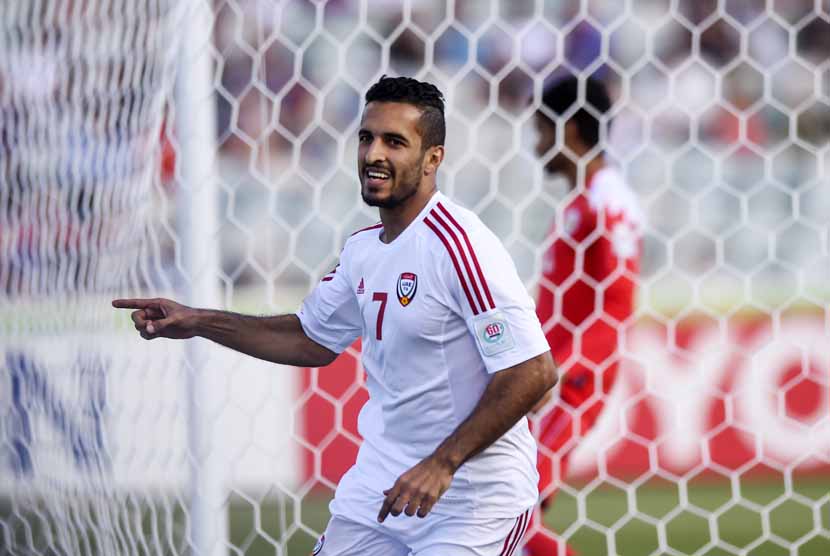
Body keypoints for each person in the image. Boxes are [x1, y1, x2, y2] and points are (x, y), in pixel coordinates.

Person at [113, 75, 557, 556]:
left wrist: (442, 464)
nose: (373, 155)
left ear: (433, 159)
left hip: (472, 500)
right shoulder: (362, 251)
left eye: (395, 142)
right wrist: (197, 320)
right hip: (382, 487)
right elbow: (309, 338)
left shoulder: (461, 246)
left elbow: (533, 370)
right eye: (367, 138)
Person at [522, 76, 643, 556]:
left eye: (540, 131)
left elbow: (616, 308)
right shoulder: (578, 203)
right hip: (544, 381)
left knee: (510, 515)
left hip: (570, 385)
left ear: (568, 128)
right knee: (504, 520)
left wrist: (561, 368)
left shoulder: (608, 199)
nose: (536, 146)